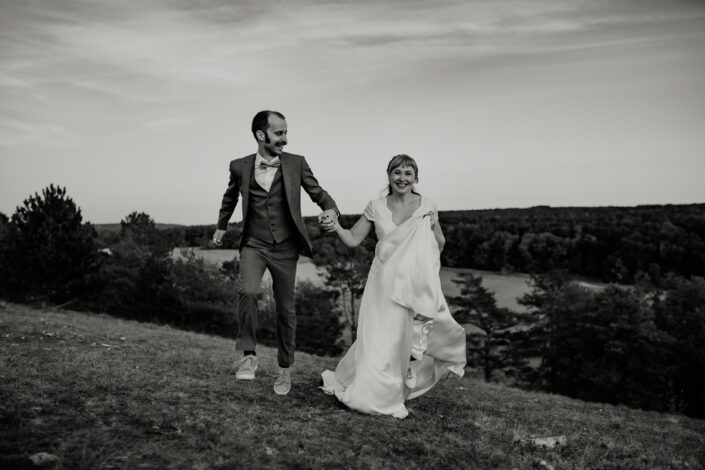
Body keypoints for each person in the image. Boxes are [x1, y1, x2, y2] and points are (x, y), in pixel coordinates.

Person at [320, 154, 466, 418]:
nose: (402, 178)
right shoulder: (375, 206)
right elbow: (353, 239)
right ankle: (375, 393)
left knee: (403, 338)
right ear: (388, 176)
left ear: (415, 178)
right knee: (377, 339)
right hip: (382, 284)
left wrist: (431, 228)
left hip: (412, 284)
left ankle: (398, 383)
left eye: (408, 173)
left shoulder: (428, 206)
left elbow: (440, 244)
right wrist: (336, 227)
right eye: (397, 172)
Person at [213, 110, 338, 395]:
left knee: (286, 308)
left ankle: (284, 369)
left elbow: (318, 192)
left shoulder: (297, 163)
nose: (285, 138)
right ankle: (247, 356)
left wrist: (331, 209)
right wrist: (221, 225)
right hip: (254, 244)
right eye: (279, 133)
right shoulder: (239, 166)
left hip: (285, 247)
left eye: (285, 132)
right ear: (261, 135)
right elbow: (230, 196)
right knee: (248, 291)